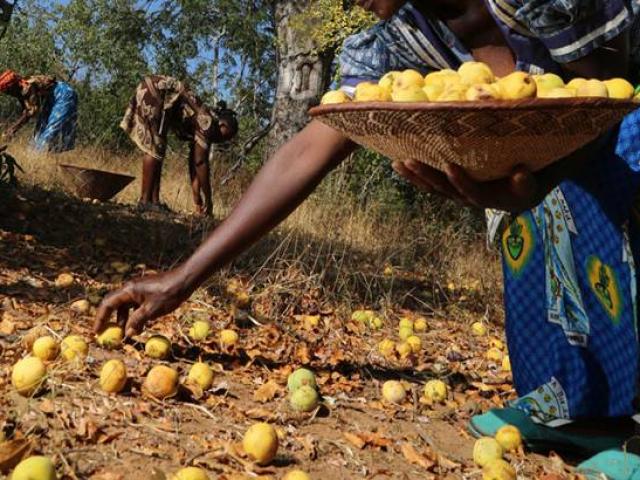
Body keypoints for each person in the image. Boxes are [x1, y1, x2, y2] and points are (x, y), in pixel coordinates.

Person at [96, 1, 640, 475]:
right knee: (527, 205)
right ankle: (577, 407)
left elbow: (605, 96)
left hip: (622, 129)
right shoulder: (397, 42)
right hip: (543, 170)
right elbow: (310, 148)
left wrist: (540, 180)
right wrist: (182, 280)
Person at [120, 75, 238, 214]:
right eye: (227, 135)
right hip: (156, 91)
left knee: (159, 148)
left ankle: (154, 201)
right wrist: (209, 201)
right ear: (222, 124)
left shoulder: (205, 123)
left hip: (153, 89)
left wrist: (196, 197)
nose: (223, 140)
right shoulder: (207, 123)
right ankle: (144, 201)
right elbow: (201, 163)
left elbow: (194, 162)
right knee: (154, 148)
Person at [0, 69, 78, 152]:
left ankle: (37, 156)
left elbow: (31, 112)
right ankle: (33, 154)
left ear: (14, 85)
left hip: (63, 95)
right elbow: (26, 111)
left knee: (51, 129)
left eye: (8, 90)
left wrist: (12, 130)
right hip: (51, 99)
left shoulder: (28, 87)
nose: (8, 93)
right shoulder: (20, 92)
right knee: (40, 130)